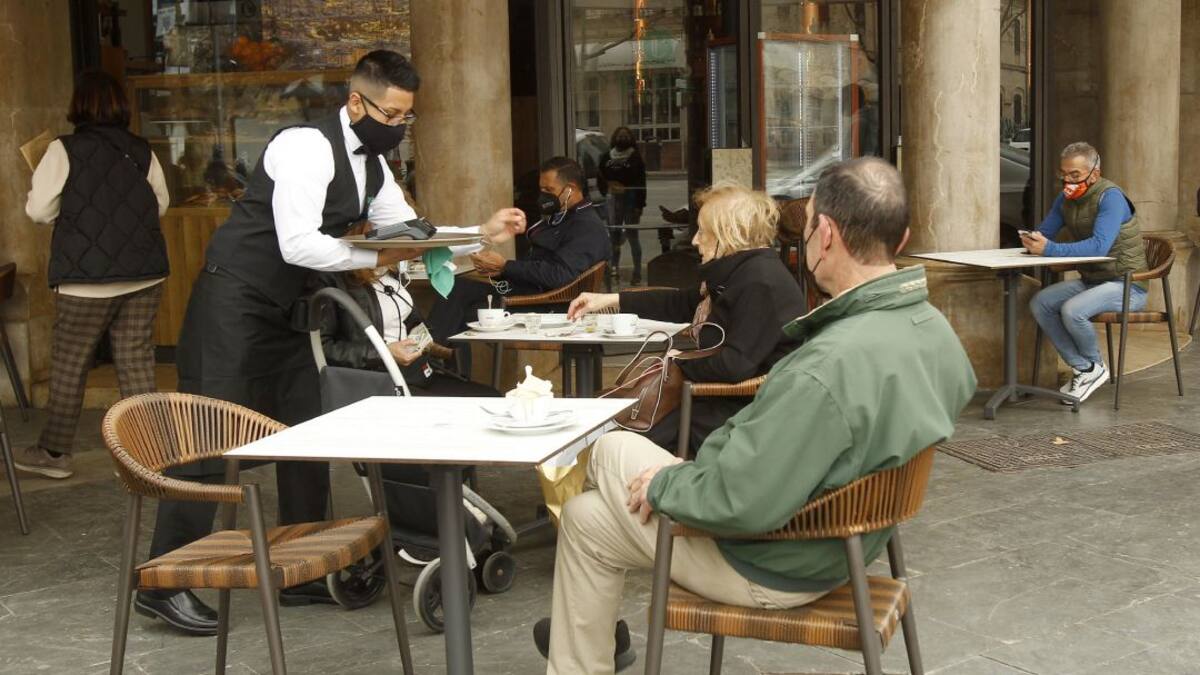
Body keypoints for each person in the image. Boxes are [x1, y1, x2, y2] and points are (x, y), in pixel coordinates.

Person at [534, 157, 977, 674]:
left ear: (826, 235)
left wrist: (668, 484)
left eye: (807, 224)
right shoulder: (934, 333)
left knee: (607, 445)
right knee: (588, 521)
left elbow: (739, 500)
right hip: (843, 542)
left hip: (774, 560)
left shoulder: (828, 365)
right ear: (898, 241)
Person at [137, 50, 525, 636]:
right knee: (207, 439)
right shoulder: (303, 147)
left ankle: (300, 571)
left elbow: (414, 234)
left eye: (405, 118)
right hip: (235, 305)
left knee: (306, 433)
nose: (397, 127)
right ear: (355, 101)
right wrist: (378, 255)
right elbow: (298, 245)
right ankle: (165, 581)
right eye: (391, 115)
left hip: (292, 311)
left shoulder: (374, 166)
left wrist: (478, 235)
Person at [567, 182, 807, 455]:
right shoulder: (739, 273)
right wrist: (611, 300)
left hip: (740, 419)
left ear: (729, 234)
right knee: (618, 423)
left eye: (703, 232)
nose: (694, 240)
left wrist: (677, 361)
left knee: (618, 439)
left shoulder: (760, 281)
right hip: (714, 402)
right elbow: (681, 302)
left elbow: (734, 365)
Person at [17, 70, 170, 479]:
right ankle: (149, 453)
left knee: (70, 364)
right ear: (120, 106)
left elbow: (38, 211)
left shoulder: (62, 150)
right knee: (136, 361)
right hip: (143, 275)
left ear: (79, 105)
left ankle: (53, 455)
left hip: (85, 282)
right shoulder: (142, 150)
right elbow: (161, 204)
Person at [425, 156, 611, 343]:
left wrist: (506, 266)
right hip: (528, 291)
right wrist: (497, 270)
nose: (543, 196)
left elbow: (560, 275)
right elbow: (538, 265)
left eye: (549, 190)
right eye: (541, 190)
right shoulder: (560, 217)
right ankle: (436, 358)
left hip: (549, 304)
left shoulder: (586, 227)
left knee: (464, 312)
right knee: (455, 287)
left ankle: (427, 358)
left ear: (570, 189)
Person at [1022, 142, 1148, 404]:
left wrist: (1049, 249)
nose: (1067, 180)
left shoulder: (1110, 197)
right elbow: (1046, 231)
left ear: (1095, 174)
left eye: (1075, 175)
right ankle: (1085, 368)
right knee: (1041, 302)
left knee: (1072, 310)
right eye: (1064, 174)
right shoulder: (1065, 198)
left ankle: (1095, 365)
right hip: (1093, 280)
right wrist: (1033, 240)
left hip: (1127, 284)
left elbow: (1099, 246)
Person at [597, 127, 648, 284]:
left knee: (633, 237)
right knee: (614, 238)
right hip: (613, 201)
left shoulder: (635, 157)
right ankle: (614, 271)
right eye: (620, 135)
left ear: (631, 138)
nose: (623, 138)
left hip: (631, 202)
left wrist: (639, 205)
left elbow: (641, 182)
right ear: (615, 138)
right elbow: (600, 177)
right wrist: (606, 188)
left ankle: (637, 272)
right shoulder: (607, 156)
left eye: (626, 136)